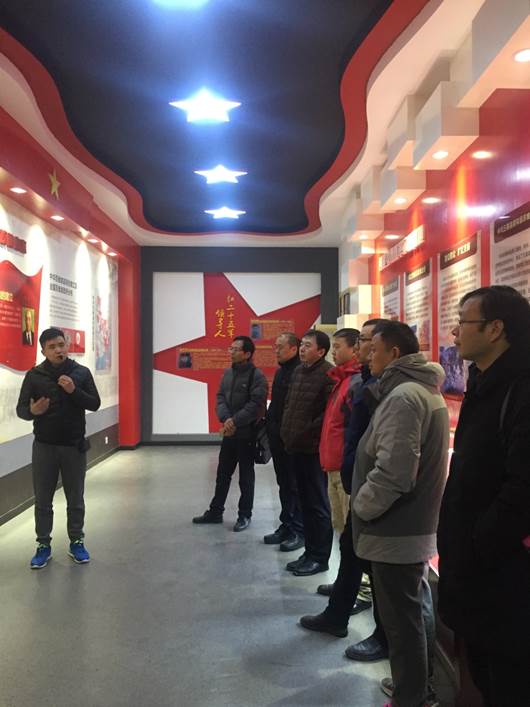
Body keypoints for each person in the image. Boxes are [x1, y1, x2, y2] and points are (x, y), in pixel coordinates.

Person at [437, 286, 530, 707]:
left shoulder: (520, 389)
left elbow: (522, 488)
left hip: (505, 571)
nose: (455, 333)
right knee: (483, 670)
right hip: (476, 567)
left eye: (463, 322)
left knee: (509, 678)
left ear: (495, 329)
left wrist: (479, 543)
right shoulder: (483, 381)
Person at [351, 321, 449, 707]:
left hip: (395, 530)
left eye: (373, 349)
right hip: (410, 528)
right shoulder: (419, 390)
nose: (368, 356)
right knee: (414, 611)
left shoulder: (404, 396)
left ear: (394, 353)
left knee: (401, 623)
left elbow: (394, 471)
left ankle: (411, 697)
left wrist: (362, 505)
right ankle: (418, 688)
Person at [298, 320, 384, 635]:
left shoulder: (363, 384)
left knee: (355, 539)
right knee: (344, 533)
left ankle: (361, 593)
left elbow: (360, 435)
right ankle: (345, 593)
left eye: (341, 346)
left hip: (353, 473)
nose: (359, 347)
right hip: (337, 466)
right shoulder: (346, 380)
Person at [16, 327, 101, 569]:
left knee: (75, 499)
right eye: (52, 347)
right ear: (43, 351)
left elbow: (94, 403)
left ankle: (77, 541)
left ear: (67, 346)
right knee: (43, 500)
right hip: (44, 447)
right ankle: (43, 545)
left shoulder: (81, 373)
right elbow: (21, 410)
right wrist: (32, 411)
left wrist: (74, 391)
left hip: (74, 446)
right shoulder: (34, 376)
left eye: (61, 345)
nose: (58, 350)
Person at [193, 336, 268, 532]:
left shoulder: (257, 376)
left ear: (247, 354)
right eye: (231, 348)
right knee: (222, 474)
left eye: (235, 349)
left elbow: (255, 405)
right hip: (229, 434)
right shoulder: (227, 373)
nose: (231, 352)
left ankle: (244, 515)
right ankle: (215, 511)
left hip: (247, 435)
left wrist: (234, 421)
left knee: (246, 477)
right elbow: (220, 398)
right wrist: (226, 418)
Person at [280, 329, 334, 576]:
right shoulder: (300, 371)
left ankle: (320, 558)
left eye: (308, 345)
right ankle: (309, 552)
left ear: (321, 351)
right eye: (301, 344)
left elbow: (325, 416)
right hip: (296, 447)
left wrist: (304, 433)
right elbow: (290, 406)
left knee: (318, 505)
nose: (302, 349)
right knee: (304, 502)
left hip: (312, 450)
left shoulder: (328, 374)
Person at [264, 333, 304, 552]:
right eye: (275, 346)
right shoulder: (281, 372)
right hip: (277, 438)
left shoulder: (300, 372)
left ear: (293, 349)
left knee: (296, 486)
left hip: (292, 440)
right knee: (284, 484)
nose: (276, 350)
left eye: (280, 347)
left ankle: (298, 530)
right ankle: (286, 525)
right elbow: (276, 405)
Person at [319, 328, 360, 534]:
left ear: (354, 350)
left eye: (337, 347)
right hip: (332, 464)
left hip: (344, 466)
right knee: (339, 526)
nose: (333, 352)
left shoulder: (355, 382)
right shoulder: (341, 379)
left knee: (348, 529)